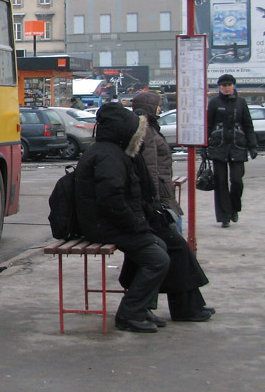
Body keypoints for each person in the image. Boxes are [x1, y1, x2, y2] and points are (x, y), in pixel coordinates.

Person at [75, 102, 170, 333]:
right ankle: (129, 314)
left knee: (159, 247)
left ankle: (142, 307)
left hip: (106, 222)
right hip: (103, 225)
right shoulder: (110, 155)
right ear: (124, 131)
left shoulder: (109, 151)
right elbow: (111, 200)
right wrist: (136, 225)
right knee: (157, 259)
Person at [131, 91, 213, 322]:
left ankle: (188, 307)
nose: (160, 109)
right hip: (157, 205)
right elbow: (150, 171)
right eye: (157, 106)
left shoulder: (149, 128)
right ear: (148, 108)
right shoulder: (145, 131)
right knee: (177, 251)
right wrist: (156, 205)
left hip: (161, 202)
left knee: (176, 253)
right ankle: (185, 308)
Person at [206, 74, 257, 227]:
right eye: (223, 85)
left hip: (238, 147)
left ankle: (234, 208)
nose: (226, 88)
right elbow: (208, 125)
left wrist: (252, 145)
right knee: (220, 182)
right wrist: (203, 146)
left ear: (234, 86)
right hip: (218, 147)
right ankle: (224, 216)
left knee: (236, 181)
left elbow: (248, 125)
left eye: (229, 85)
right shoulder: (214, 103)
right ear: (219, 87)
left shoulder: (241, 103)